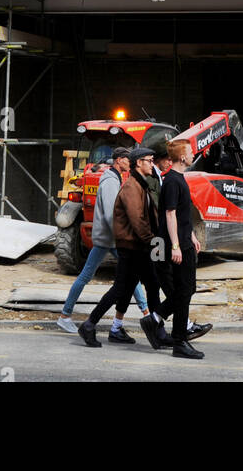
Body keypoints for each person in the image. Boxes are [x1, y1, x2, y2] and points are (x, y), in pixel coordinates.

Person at [78, 147, 165, 349]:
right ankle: (90, 325)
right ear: (138, 163)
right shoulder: (132, 187)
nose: (152, 164)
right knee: (125, 288)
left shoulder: (139, 184)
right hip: (133, 247)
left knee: (145, 286)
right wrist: (154, 243)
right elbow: (138, 221)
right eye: (149, 160)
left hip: (137, 246)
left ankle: (149, 330)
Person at [57, 147, 149, 336]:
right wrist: (122, 236)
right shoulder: (109, 181)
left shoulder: (115, 178)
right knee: (124, 275)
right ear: (118, 161)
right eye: (127, 159)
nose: (130, 162)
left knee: (124, 275)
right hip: (110, 238)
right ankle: (65, 316)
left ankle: (146, 312)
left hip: (109, 238)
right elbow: (110, 214)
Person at [155, 138, 211, 359]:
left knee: (186, 290)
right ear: (181, 157)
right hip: (178, 246)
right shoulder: (171, 181)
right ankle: (179, 340)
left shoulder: (179, 179)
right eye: (189, 151)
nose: (192, 154)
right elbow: (170, 214)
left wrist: (191, 235)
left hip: (186, 242)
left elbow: (182, 214)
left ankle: (157, 319)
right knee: (184, 291)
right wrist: (176, 246)